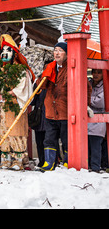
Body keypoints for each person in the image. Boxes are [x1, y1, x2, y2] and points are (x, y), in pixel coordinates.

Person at [40, 41, 91, 171]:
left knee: (67, 139)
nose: (56, 53)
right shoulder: (50, 67)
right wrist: (44, 76)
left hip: (66, 111)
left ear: (67, 54)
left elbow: (87, 88)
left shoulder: (72, 67)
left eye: (60, 51)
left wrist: (85, 105)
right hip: (51, 110)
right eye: (55, 50)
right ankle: (49, 163)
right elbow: (41, 87)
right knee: (49, 138)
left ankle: (68, 162)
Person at [0, 34, 34, 170]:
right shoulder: (1, 70)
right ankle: (5, 158)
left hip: (15, 103)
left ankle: (18, 160)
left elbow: (23, 86)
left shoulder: (21, 70)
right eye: (3, 50)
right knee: (3, 131)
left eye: (8, 50)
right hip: (3, 104)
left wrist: (11, 92)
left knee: (16, 130)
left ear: (14, 52)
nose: (5, 53)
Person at [88, 69, 107, 172]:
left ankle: (95, 168)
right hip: (86, 120)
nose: (95, 74)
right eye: (94, 72)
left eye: (99, 72)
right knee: (86, 147)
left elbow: (101, 102)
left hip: (99, 120)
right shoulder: (88, 83)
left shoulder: (105, 85)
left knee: (96, 147)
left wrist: (87, 100)